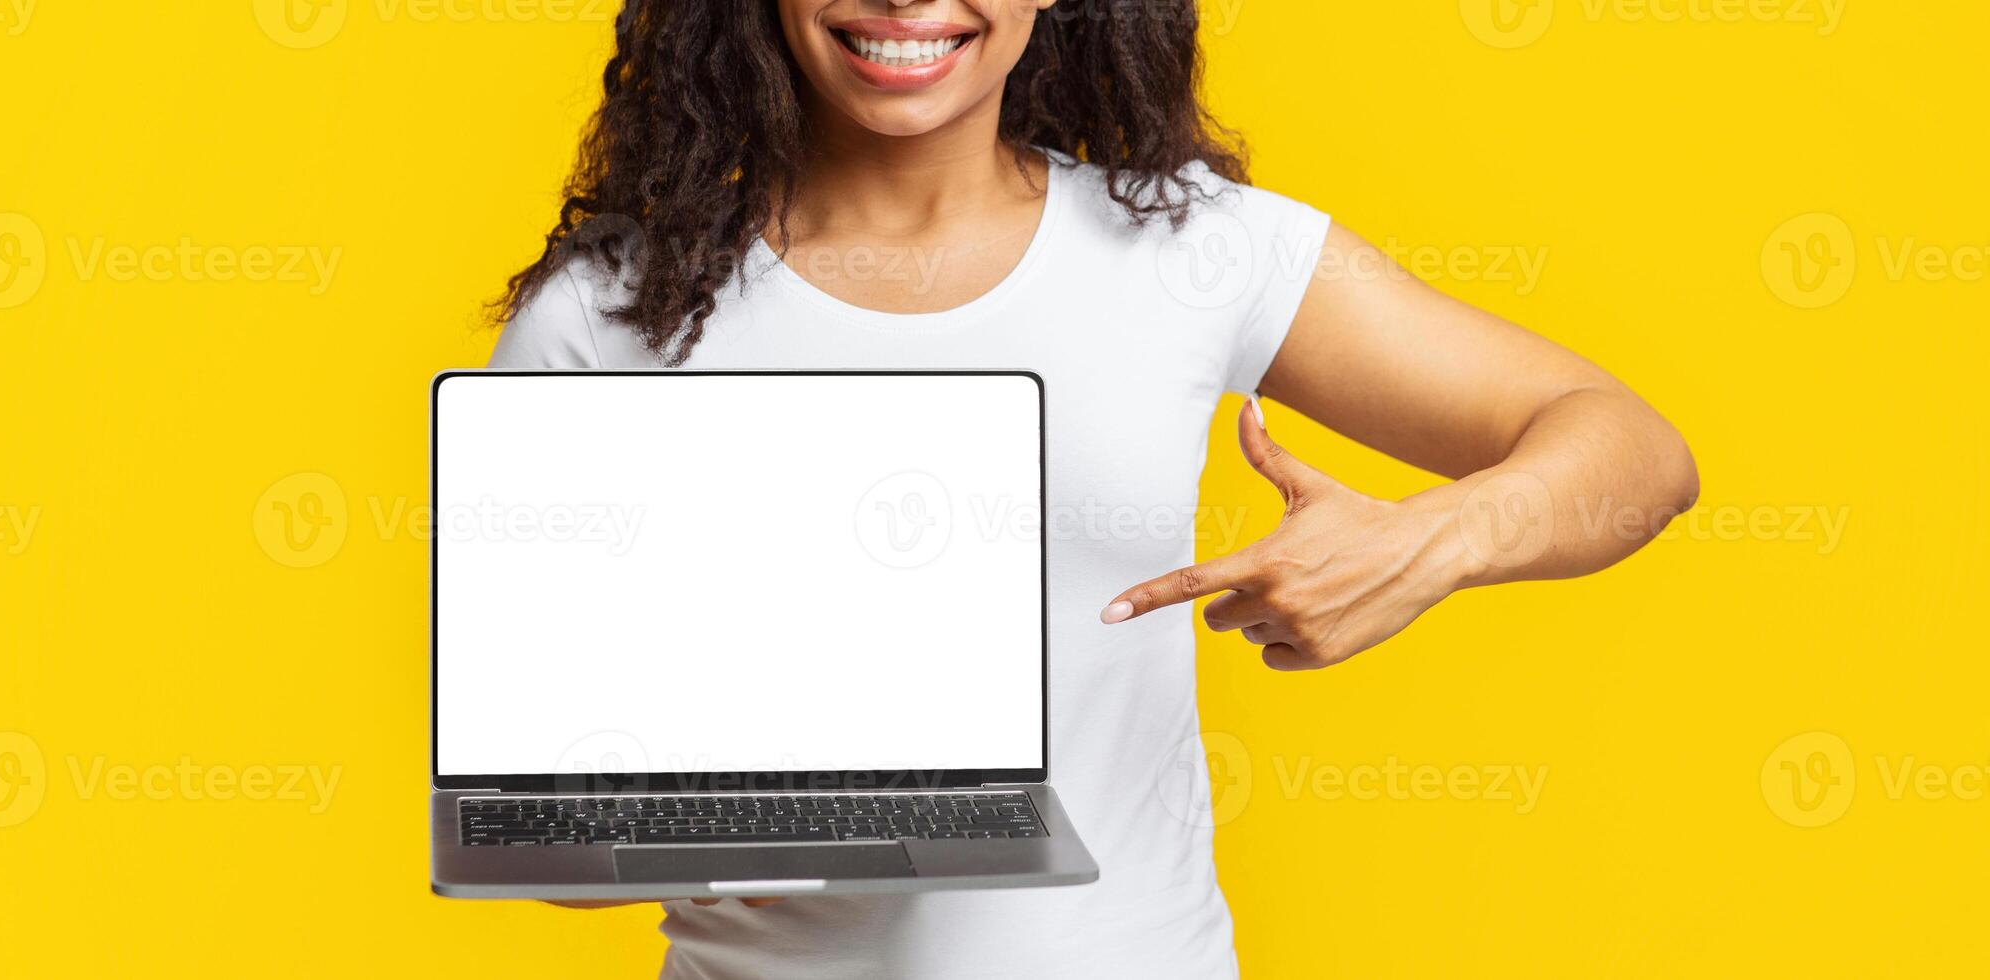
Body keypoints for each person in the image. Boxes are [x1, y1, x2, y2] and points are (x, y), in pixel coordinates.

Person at [486, 2, 1699, 976]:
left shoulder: (1187, 251)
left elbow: (1633, 452)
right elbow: (531, 821)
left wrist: (1431, 540)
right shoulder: (606, 314)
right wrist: (713, 814)